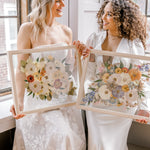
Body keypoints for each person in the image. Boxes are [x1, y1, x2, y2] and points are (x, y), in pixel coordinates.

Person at [73, 0, 150, 150]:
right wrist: (88, 57)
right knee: (96, 143)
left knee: (115, 145)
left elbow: (141, 77)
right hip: (95, 103)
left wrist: (144, 107)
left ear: (122, 18)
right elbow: (89, 76)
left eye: (109, 14)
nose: (103, 18)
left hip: (122, 106)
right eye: (103, 13)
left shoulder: (133, 44)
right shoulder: (94, 38)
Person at [10, 0, 86, 149]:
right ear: (44, 3)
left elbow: (68, 68)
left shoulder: (66, 31)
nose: (63, 5)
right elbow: (21, 69)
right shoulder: (28, 29)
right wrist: (18, 102)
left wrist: (80, 54)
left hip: (65, 99)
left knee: (71, 139)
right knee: (63, 137)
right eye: (58, 1)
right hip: (39, 100)